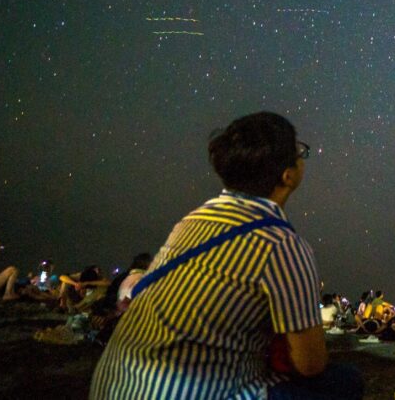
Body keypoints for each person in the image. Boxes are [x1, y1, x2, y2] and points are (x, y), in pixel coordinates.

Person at [89, 111, 363, 399]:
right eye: (298, 152)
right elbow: (310, 364)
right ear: (287, 174)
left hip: (115, 386)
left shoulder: (191, 222)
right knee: (345, 381)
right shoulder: (282, 244)